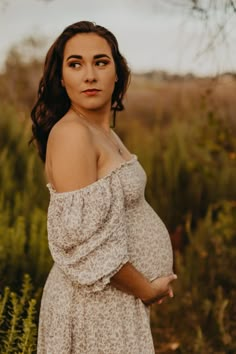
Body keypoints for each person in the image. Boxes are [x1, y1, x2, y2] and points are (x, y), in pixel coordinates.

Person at [30, 20, 177, 354]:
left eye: (100, 62)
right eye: (75, 64)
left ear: (117, 73)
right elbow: (85, 247)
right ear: (61, 77)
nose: (90, 75)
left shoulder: (104, 132)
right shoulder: (72, 135)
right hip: (91, 307)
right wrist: (146, 290)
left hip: (113, 302)